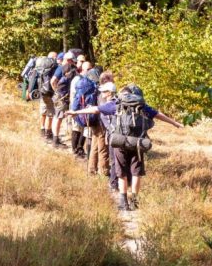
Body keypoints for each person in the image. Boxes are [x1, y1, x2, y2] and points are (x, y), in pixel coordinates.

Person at [65, 82, 182, 210]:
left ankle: (123, 202)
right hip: (138, 142)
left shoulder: (116, 103)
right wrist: (175, 123)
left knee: (121, 172)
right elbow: (158, 114)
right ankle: (135, 201)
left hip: (119, 141)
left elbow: (95, 109)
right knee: (136, 172)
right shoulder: (141, 105)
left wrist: (75, 112)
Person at [87, 73, 114, 179]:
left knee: (94, 146)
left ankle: (92, 169)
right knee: (103, 148)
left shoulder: (96, 90)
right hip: (101, 123)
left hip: (94, 121)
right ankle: (104, 170)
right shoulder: (104, 93)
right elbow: (104, 109)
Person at [69, 59, 97, 160]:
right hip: (77, 108)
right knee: (77, 128)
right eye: (88, 69)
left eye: (91, 69)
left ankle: (80, 148)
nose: (90, 71)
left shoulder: (92, 80)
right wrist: (74, 110)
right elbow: (73, 96)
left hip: (87, 110)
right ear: (82, 69)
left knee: (85, 130)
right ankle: (75, 149)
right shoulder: (77, 79)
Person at [48, 52, 77, 147]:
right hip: (60, 97)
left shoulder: (63, 68)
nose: (73, 63)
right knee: (58, 117)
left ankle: (55, 139)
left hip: (59, 96)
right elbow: (53, 81)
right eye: (72, 61)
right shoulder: (61, 68)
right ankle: (55, 141)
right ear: (69, 60)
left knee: (57, 117)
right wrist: (57, 92)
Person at [35, 51, 59, 140]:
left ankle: (42, 129)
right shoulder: (54, 66)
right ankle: (48, 133)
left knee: (43, 111)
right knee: (50, 113)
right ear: (52, 57)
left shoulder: (40, 65)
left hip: (42, 91)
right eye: (55, 57)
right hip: (49, 93)